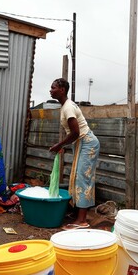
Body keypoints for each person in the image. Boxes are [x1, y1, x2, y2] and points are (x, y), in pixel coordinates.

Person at [49, 78, 100, 230]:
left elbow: (76, 132)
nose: (50, 90)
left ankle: (82, 220)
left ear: (62, 90)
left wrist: (60, 144)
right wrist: (64, 145)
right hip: (81, 142)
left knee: (82, 178)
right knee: (77, 177)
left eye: (53, 88)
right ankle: (79, 213)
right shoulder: (65, 106)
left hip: (87, 142)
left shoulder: (68, 108)